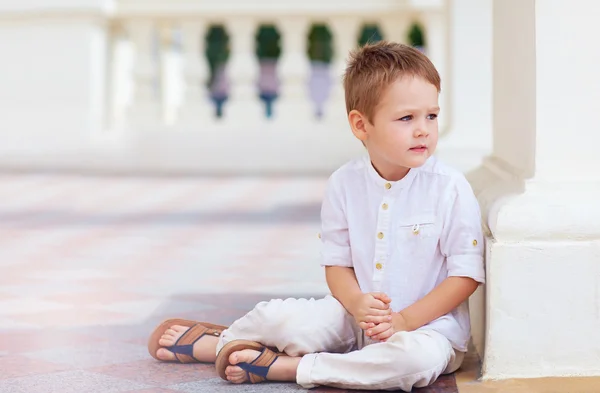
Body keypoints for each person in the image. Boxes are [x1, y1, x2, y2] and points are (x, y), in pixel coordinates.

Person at [147, 40, 485, 391]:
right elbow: (337, 265)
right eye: (406, 118)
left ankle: (290, 367)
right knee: (278, 318)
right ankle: (223, 342)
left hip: (427, 330)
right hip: (353, 320)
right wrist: (356, 304)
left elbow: (466, 275)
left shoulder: (449, 187)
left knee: (412, 362)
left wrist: (403, 320)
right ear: (360, 125)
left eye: (431, 115)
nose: (423, 129)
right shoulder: (344, 184)